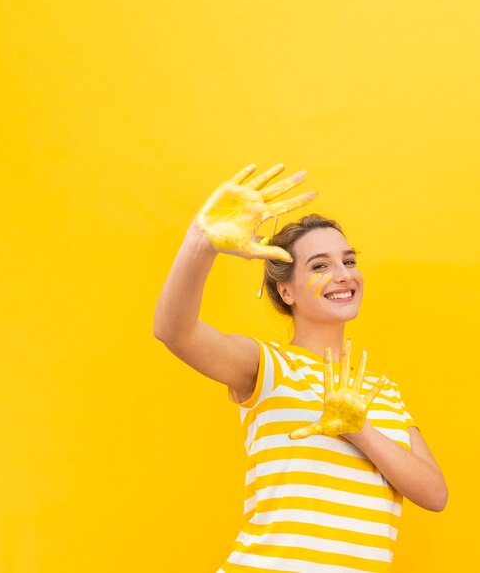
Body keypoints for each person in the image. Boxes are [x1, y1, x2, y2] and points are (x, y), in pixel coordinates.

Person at [154, 164, 448, 573]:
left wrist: (358, 429)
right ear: (285, 290)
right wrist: (201, 242)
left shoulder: (383, 392)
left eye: (348, 260)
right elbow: (173, 331)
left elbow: (435, 494)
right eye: (320, 266)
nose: (343, 274)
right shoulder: (268, 367)